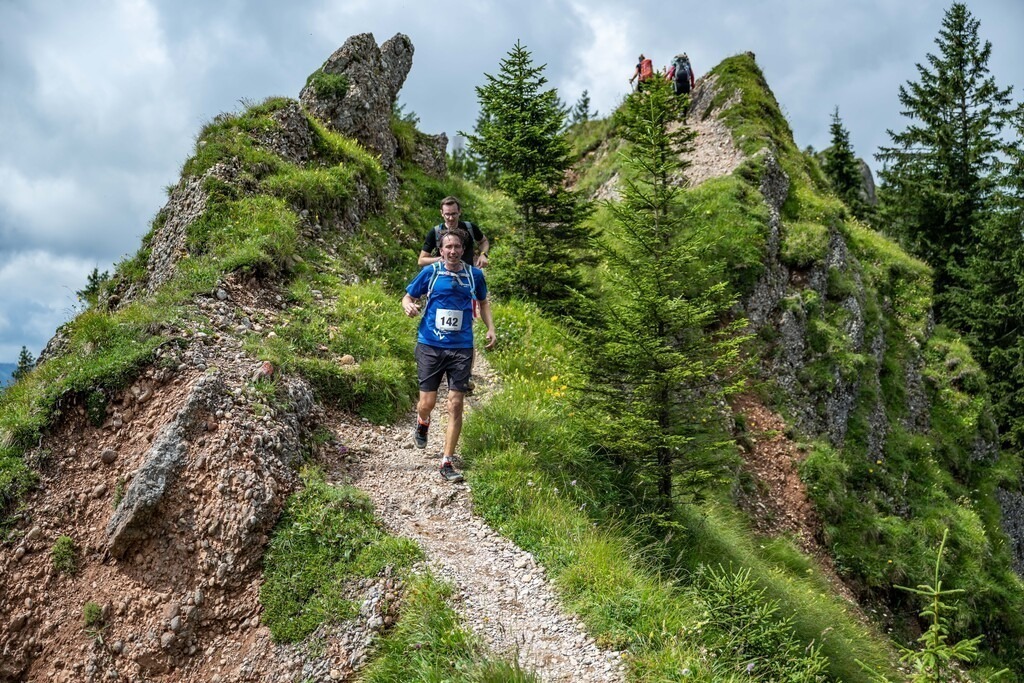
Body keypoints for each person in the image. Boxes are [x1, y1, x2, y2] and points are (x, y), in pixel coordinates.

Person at [402, 226, 496, 482]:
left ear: (463, 251)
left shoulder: (474, 275)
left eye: (457, 247)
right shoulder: (430, 272)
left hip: (462, 347)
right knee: (427, 404)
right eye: (448, 247)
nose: (453, 251)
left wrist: (490, 328)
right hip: (430, 345)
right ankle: (423, 421)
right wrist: (409, 306)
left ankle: (447, 462)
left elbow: (484, 302)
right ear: (441, 251)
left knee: (455, 404)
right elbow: (408, 296)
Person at [418, 196, 490, 269]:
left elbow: (483, 241)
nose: (451, 218)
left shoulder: (470, 227)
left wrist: (483, 254)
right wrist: (441, 259)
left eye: (454, 214)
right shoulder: (435, 232)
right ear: (442, 213)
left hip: (468, 274)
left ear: (459, 212)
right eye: (447, 214)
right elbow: (421, 260)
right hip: (444, 275)